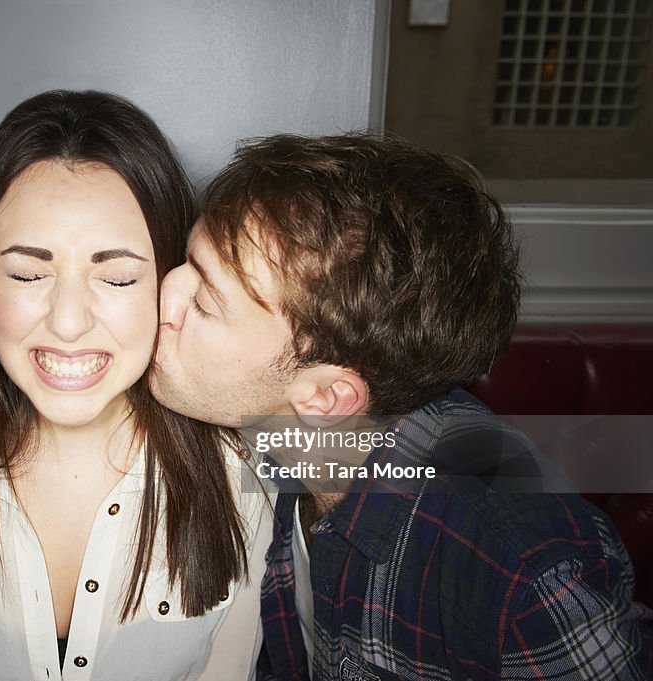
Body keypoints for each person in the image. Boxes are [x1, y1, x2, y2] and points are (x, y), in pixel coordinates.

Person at [150, 132, 653, 680]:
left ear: (325, 399)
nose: (164, 294)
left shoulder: (518, 566)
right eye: (187, 261)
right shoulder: (268, 441)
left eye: (204, 301)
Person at [0, 90, 273, 681]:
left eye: (119, 277)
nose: (69, 321)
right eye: (28, 273)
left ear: (172, 283)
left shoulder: (248, 468)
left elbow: (415, 453)